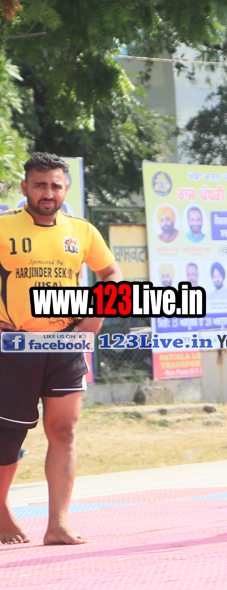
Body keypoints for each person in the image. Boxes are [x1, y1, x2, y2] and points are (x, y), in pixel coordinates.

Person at [0, 153, 124, 546]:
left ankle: (57, 524)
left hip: (65, 344)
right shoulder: (3, 226)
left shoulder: (82, 231)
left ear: (65, 189)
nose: (48, 193)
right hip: (13, 347)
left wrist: (97, 315)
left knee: (64, 431)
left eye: (55, 185)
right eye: (40, 185)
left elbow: (111, 273)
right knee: (8, 437)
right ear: (25, 188)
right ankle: (0, 509)